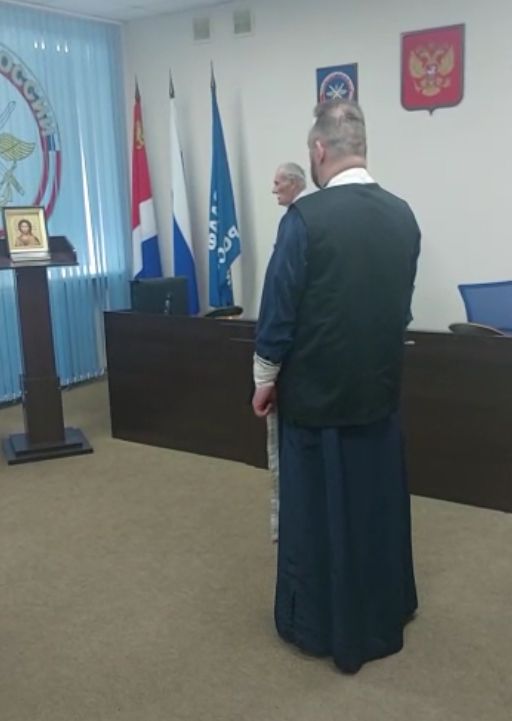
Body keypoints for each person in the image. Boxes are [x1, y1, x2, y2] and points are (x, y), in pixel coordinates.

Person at [252, 99, 420, 673]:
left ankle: (322, 624)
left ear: (319, 150)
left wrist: (263, 379)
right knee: (374, 509)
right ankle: (382, 611)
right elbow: (397, 311)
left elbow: (279, 312)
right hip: (378, 398)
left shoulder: (304, 219)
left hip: (317, 405)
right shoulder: (403, 216)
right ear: (362, 148)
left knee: (320, 516)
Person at [268, 161, 308, 543]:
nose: (273, 188)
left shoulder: (298, 222)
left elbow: (281, 293)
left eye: (278, 182)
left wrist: (265, 367)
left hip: (300, 358)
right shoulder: (300, 219)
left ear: (295, 183)